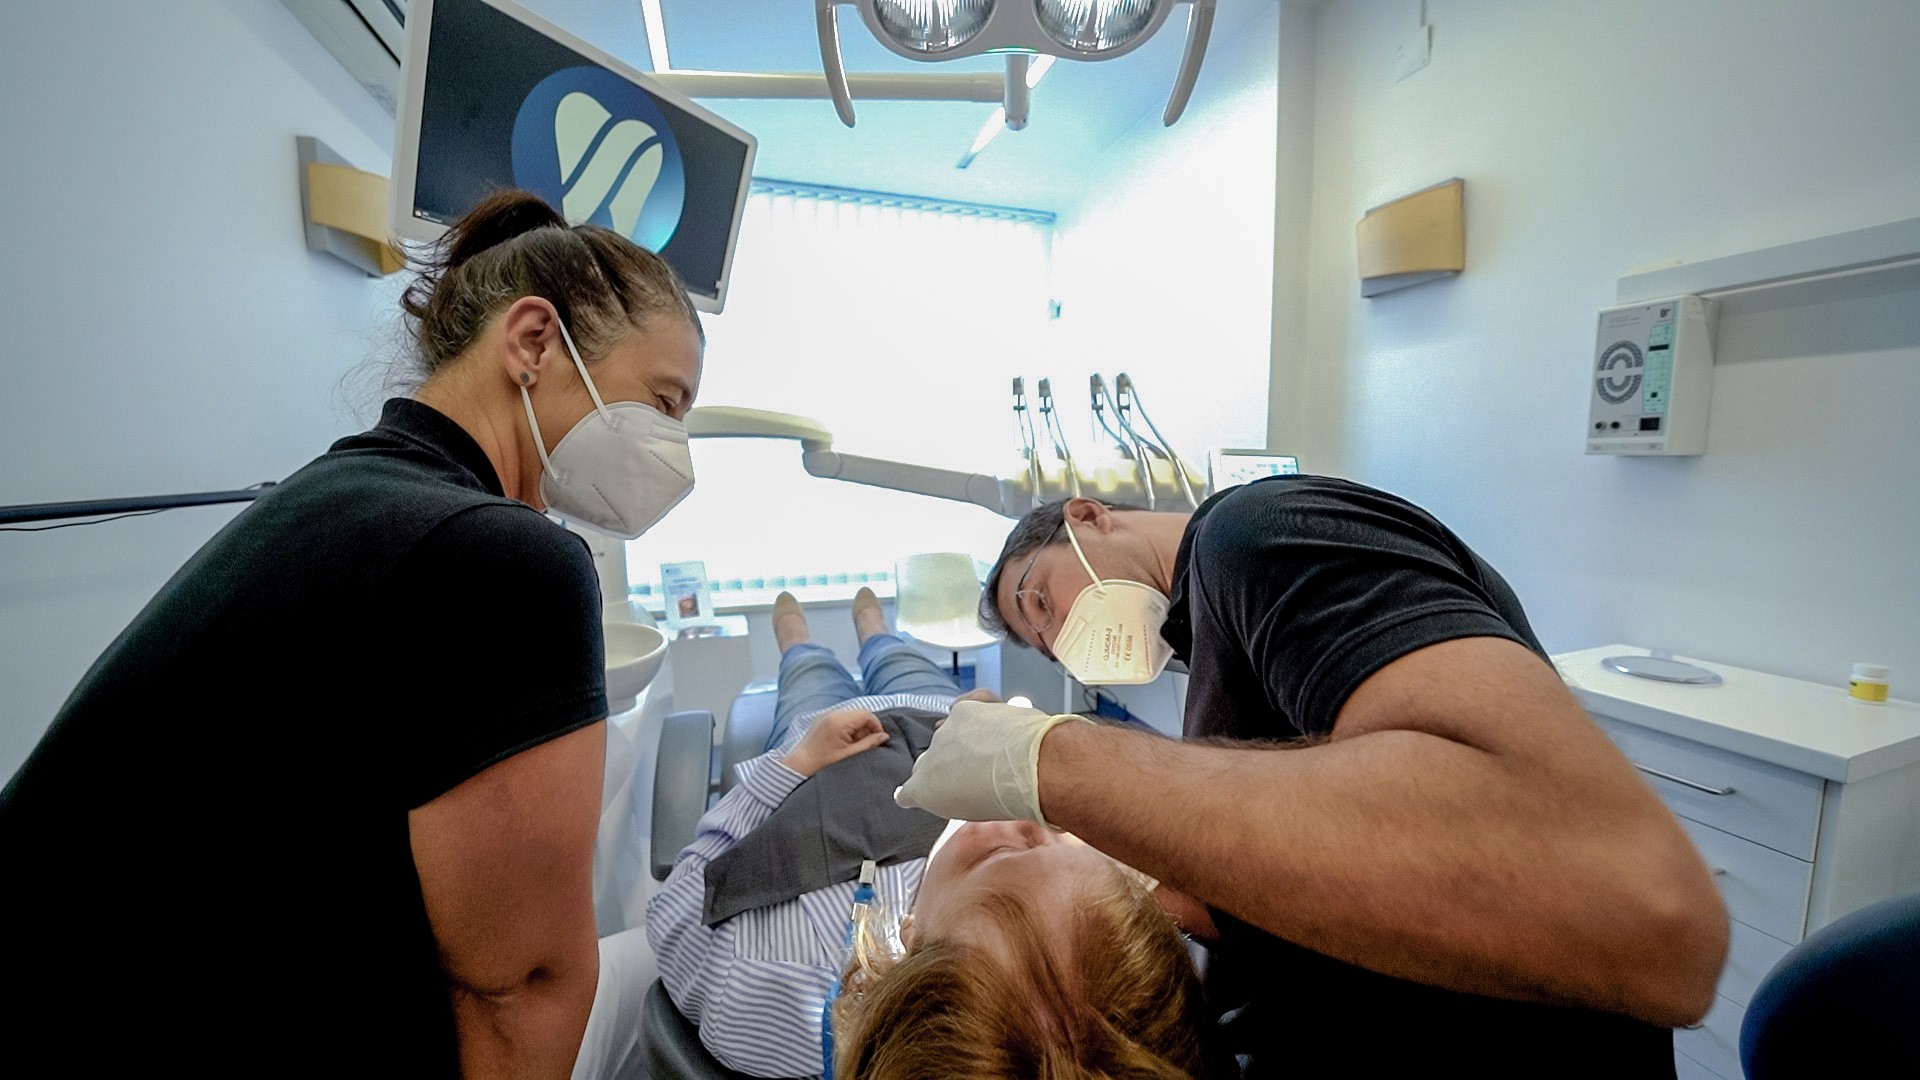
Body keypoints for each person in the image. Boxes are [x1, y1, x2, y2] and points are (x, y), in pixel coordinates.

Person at [0, 191, 703, 1077]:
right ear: (533, 342)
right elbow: (521, 990)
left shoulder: (344, 494)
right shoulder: (507, 562)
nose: (675, 451)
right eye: (664, 403)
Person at [898, 478, 1732, 1078]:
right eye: (1046, 649)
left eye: (1041, 602)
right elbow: (1354, 875)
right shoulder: (1214, 650)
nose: (1063, 639)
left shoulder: (1255, 537)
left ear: (1086, 515)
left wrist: (1052, 761)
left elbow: (1641, 909)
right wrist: (1145, 881)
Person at [647, 589, 1207, 1080]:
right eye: (1061, 834)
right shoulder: (1126, 951)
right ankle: (874, 631)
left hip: (824, 742)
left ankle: (796, 638)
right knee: (898, 657)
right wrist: (996, 730)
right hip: (937, 714)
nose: (1019, 818)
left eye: (995, 853)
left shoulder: (773, 978)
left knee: (806, 671)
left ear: (908, 944)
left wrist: (793, 765)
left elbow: (678, 913)